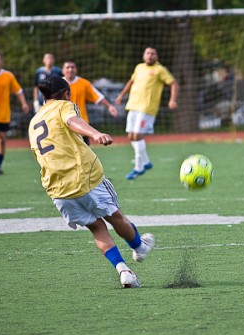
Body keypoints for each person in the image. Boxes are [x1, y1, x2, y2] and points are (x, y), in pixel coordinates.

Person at [28, 76, 154, 288]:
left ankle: (123, 271)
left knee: (96, 227)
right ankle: (139, 247)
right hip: (85, 177)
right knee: (114, 215)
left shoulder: (34, 121)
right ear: (66, 94)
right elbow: (72, 120)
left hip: (57, 189)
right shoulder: (64, 106)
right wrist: (95, 133)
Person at [115, 46, 179, 180]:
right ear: (144, 55)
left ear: (157, 56)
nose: (150, 55)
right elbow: (131, 82)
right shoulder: (139, 67)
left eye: (153, 53)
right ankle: (146, 161)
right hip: (133, 105)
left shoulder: (160, 69)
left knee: (137, 135)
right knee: (131, 136)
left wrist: (172, 99)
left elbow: (173, 83)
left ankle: (139, 167)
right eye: (148, 53)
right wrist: (121, 95)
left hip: (147, 107)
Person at [62, 59, 117, 145]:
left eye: (72, 67)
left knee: (85, 153)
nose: (70, 69)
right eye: (67, 67)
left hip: (81, 125)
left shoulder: (84, 83)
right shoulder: (58, 84)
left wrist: (109, 106)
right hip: (64, 125)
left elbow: (97, 96)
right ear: (63, 70)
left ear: (76, 69)